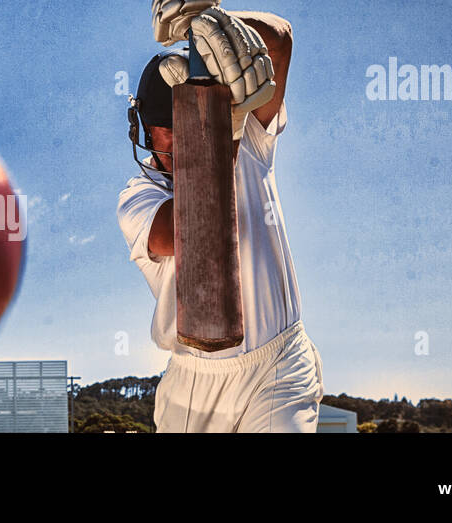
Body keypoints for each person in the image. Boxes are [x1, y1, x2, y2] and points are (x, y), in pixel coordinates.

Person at [117, 3, 323, 432]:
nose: (178, 136)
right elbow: (192, 231)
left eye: (185, 119)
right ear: (146, 129)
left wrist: (210, 22)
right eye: (168, 127)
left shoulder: (248, 134)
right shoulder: (138, 197)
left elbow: (280, 41)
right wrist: (216, 137)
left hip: (278, 363)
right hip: (195, 383)